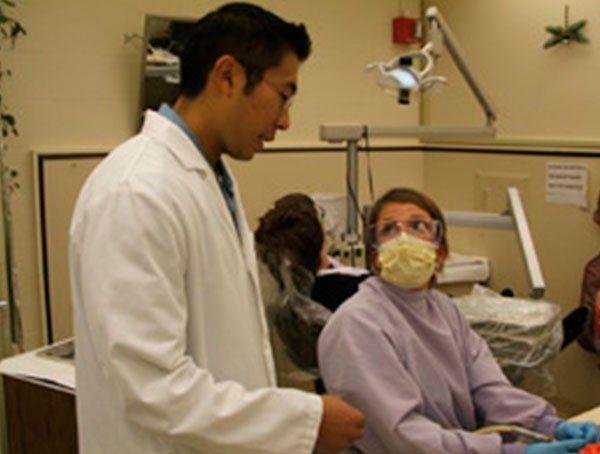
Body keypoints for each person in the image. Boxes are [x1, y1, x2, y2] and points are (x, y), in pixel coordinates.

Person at [70, 4, 365, 453]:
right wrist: (303, 422)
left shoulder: (211, 179)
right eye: (284, 95)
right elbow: (153, 387)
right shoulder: (136, 192)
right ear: (226, 76)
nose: (285, 120)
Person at [317, 187, 599, 454]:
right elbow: (405, 436)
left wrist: (548, 424)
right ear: (376, 256)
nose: (404, 239)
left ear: (439, 251)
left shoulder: (444, 309)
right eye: (389, 229)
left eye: (418, 226)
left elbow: (488, 387)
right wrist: (503, 450)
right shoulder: (357, 324)